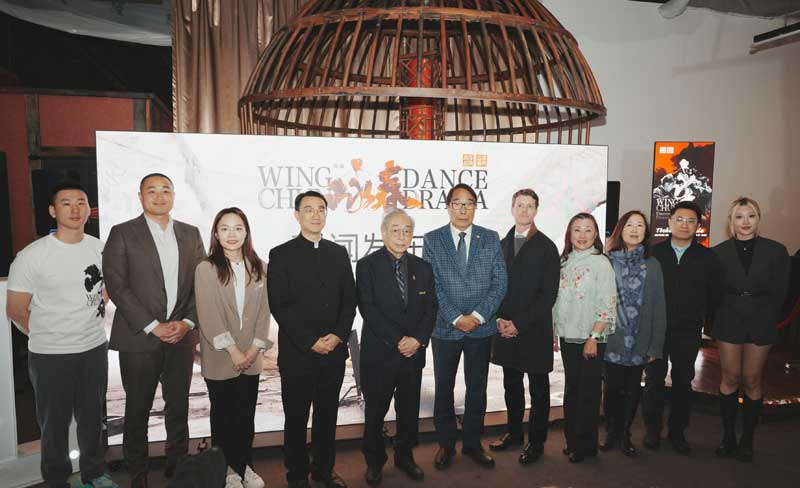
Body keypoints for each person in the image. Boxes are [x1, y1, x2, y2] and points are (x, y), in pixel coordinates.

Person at [6, 181, 119, 488]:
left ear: (89, 210)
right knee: (53, 424)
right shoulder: (33, 255)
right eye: (66, 203)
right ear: (53, 211)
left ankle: (94, 474)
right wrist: (51, 334)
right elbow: (16, 309)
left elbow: (108, 289)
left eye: (81, 202)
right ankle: (56, 480)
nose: (74, 209)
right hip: (50, 355)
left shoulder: (100, 248)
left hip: (93, 348)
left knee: (92, 419)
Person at [103, 173, 206, 487]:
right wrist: (153, 326)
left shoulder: (190, 233)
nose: (159, 197)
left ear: (173, 196)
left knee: (178, 405)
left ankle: (178, 466)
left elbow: (201, 283)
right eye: (152, 191)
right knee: (138, 408)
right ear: (140, 196)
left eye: (165, 191)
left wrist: (187, 322)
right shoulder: (122, 233)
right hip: (138, 338)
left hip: (180, 336)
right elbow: (117, 286)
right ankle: (138, 474)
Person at [267, 191, 357, 488]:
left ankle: (323, 470)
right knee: (296, 419)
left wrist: (338, 335)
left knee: (327, 416)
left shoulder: (338, 253)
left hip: (333, 352)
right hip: (298, 354)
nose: (316, 215)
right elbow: (279, 306)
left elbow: (350, 300)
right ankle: (296, 475)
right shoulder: (281, 254)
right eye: (308, 209)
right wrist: (310, 341)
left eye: (321, 209)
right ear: (297, 215)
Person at [422, 183, 507, 470]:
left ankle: (472, 443)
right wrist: (457, 318)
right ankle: (446, 445)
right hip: (446, 328)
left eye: (469, 203)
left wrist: (479, 316)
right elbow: (431, 285)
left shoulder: (490, 238)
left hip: (481, 329)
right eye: (457, 203)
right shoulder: (433, 239)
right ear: (448, 206)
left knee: (477, 388)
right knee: (444, 388)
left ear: (475, 207)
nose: (463, 209)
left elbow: (500, 282)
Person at [356, 209, 437, 486]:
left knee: (408, 410)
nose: (401, 236)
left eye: (406, 231)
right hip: (380, 354)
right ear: (383, 233)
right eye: (395, 230)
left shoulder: (423, 267)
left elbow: (431, 308)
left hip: (413, 354)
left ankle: (405, 457)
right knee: (375, 412)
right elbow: (368, 308)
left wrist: (417, 340)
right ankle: (374, 461)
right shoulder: (367, 266)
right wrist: (398, 340)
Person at [194, 208, 272, 488]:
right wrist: (233, 351)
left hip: (251, 356)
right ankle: (226, 471)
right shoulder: (206, 269)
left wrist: (254, 350)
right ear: (216, 234)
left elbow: (264, 313)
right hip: (220, 357)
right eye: (224, 228)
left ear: (246, 232)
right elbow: (208, 315)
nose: (231, 234)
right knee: (223, 418)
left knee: (245, 417)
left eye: (238, 228)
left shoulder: (261, 267)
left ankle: (245, 466)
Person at [642, 201, 723, 454]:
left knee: (682, 381)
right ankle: (652, 430)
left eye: (690, 221)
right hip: (656, 328)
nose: (684, 225)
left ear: (698, 225)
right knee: (654, 380)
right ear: (669, 222)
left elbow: (715, 294)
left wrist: (701, 316)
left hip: (687, 330)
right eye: (679, 219)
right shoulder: (654, 253)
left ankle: (677, 432)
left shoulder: (707, 257)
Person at [713, 197, 790, 462]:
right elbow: (713, 291)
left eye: (751, 216)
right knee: (730, 377)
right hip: (728, 318)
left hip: (762, 319)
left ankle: (747, 440)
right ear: (731, 221)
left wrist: (765, 313)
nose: (745, 222)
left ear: (758, 219)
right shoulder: (718, 252)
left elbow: (782, 291)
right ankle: (728, 437)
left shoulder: (776, 251)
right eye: (739, 217)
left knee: (752, 379)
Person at [488, 189, 560, 464]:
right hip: (504, 329)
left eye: (530, 206)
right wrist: (498, 319)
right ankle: (514, 433)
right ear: (512, 208)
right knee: (512, 386)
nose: (524, 210)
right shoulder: (501, 244)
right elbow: (493, 286)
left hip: (534, 330)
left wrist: (519, 323)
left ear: (536, 210)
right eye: (520, 205)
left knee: (538, 390)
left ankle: (537, 442)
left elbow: (548, 295)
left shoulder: (546, 247)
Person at [600, 211, 667, 457]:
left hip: (640, 338)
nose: (635, 229)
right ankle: (611, 432)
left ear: (646, 232)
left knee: (632, 389)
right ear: (621, 229)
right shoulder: (607, 261)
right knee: (611, 389)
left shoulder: (653, 264)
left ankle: (625, 433)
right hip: (612, 337)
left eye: (640, 225)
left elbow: (659, 306)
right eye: (630, 224)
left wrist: (655, 345)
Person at [553, 213, 617, 463]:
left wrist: (594, 337)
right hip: (568, 335)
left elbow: (608, 304)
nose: (582, 235)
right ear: (569, 234)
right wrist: (554, 331)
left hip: (591, 337)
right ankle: (572, 441)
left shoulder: (601, 263)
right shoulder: (563, 262)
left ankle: (586, 446)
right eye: (577, 230)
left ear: (596, 234)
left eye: (588, 230)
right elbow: (556, 302)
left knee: (588, 393)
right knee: (572, 389)